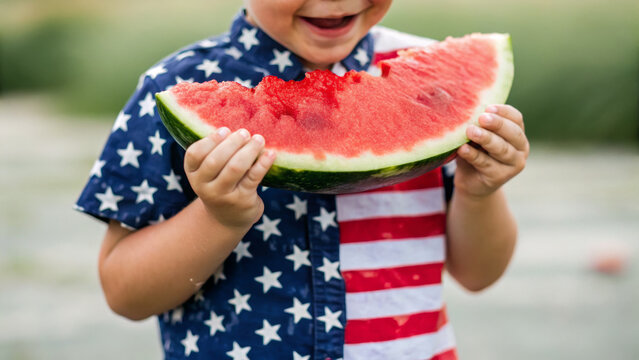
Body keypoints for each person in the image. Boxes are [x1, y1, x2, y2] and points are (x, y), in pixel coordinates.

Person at [75, 1, 529, 359]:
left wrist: (478, 192)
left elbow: (477, 275)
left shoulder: (435, 84)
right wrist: (219, 218)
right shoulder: (172, 88)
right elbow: (124, 293)